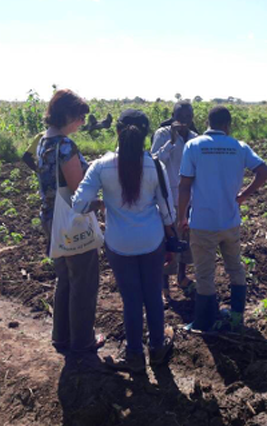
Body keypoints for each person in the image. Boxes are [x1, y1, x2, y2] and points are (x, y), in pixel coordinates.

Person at [72, 109, 175, 372]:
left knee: (131, 300)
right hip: (152, 241)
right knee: (153, 295)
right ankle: (158, 348)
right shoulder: (156, 166)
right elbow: (167, 211)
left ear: (117, 131)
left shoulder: (100, 166)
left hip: (118, 244)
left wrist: (104, 202)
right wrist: (171, 241)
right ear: (145, 135)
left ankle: (134, 355)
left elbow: (79, 203)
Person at [178, 106, 267, 331]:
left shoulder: (194, 146)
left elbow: (185, 186)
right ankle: (237, 316)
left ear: (208, 123)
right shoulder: (239, 147)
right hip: (230, 221)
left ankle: (204, 321)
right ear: (227, 125)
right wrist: (245, 195)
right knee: (235, 267)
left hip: (202, 223)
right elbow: (264, 171)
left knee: (204, 273)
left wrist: (181, 216)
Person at [36, 89, 104, 358]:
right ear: (68, 115)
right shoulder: (66, 146)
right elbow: (78, 192)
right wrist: (100, 203)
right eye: (79, 117)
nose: (81, 123)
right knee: (84, 280)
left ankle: (61, 336)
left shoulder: (44, 141)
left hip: (50, 217)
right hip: (70, 221)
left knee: (64, 278)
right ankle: (83, 340)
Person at [151, 101, 198, 298]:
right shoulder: (162, 133)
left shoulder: (196, 138)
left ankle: (181, 276)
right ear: (173, 116)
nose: (185, 120)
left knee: (186, 240)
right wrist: (171, 140)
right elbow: (155, 160)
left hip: (189, 197)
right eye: (181, 116)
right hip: (169, 196)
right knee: (169, 240)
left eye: (188, 116)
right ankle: (164, 285)